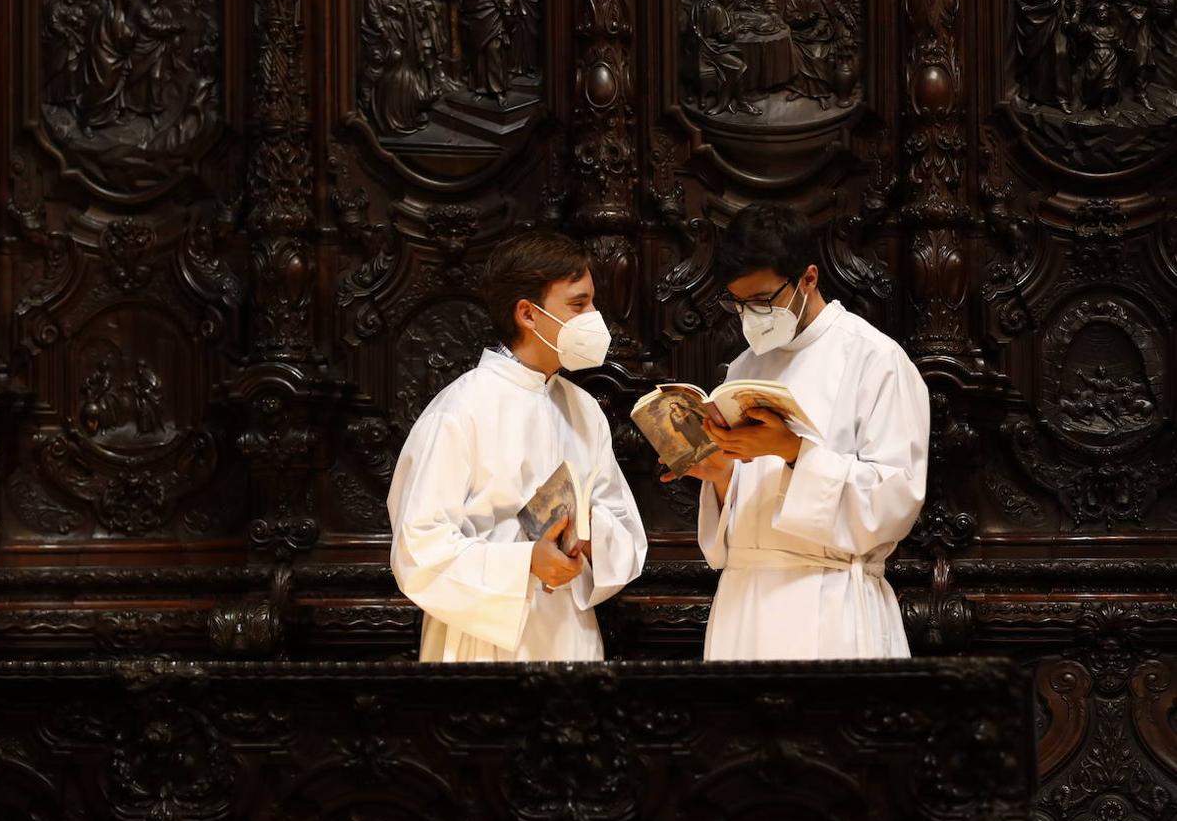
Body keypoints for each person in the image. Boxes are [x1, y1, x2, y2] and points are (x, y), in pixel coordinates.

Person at [664, 204, 929, 660]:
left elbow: (897, 500)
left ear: (808, 279)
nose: (752, 316)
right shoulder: (746, 366)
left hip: (829, 600)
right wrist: (722, 476)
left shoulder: (876, 359)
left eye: (764, 300)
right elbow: (747, 510)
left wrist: (793, 452)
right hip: (744, 603)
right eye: (739, 303)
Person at [388, 231, 647, 662]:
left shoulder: (583, 409)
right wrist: (525, 561)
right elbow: (418, 548)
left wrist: (589, 538)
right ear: (528, 314)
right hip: (485, 640)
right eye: (579, 305)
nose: (595, 318)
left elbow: (621, 522)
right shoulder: (460, 409)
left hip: (571, 633)